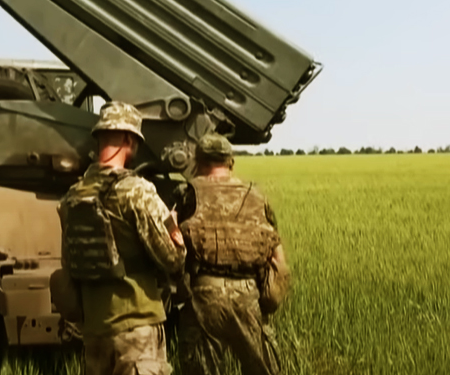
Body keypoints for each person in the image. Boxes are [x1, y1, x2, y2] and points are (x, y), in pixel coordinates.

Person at [54, 101, 186, 375]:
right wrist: (173, 228)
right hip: (137, 330)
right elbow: (173, 259)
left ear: (100, 136)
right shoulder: (137, 191)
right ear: (129, 139)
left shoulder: (72, 196)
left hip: (95, 332)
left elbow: (70, 263)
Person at [174, 133, 291, 375]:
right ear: (231, 162)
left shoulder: (186, 193)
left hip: (203, 296)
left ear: (198, 162)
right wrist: (270, 296)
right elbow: (277, 256)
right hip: (248, 294)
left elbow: (171, 245)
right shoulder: (256, 196)